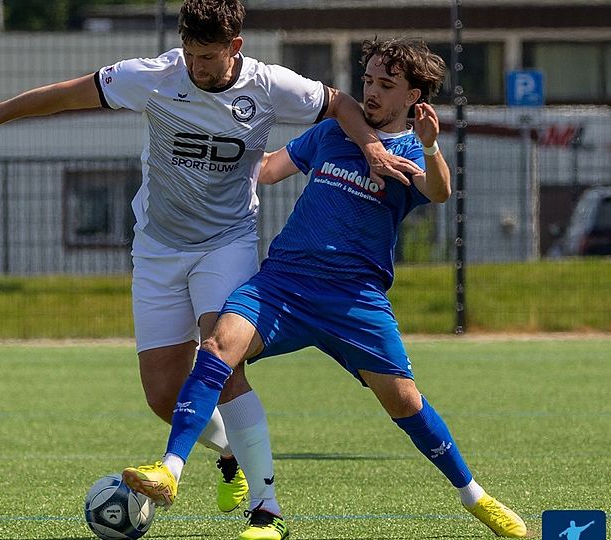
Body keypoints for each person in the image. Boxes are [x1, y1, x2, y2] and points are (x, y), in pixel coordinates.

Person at [0, 0, 420, 519]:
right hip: (156, 248)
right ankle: (230, 455)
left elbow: (339, 103)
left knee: (221, 359)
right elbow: (69, 94)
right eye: (190, 53)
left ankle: (266, 508)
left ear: (235, 48)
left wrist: (372, 149)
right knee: (161, 395)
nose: (197, 67)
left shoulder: (269, 86)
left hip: (227, 242)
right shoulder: (154, 77)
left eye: (209, 56)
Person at [122, 37, 529, 540]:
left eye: (386, 85)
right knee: (218, 348)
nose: (372, 93)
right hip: (284, 282)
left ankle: (478, 499)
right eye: (368, 81)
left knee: (404, 401)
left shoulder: (408, 151)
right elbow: (267, 170)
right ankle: (179, 473)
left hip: (354, 300)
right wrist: (216, 144)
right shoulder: (333, 133)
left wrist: (429, 144)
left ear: (414, 98)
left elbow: (438, 191)